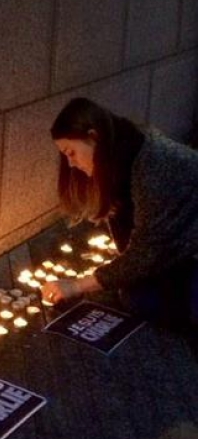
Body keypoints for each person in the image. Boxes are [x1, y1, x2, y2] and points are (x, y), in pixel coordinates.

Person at [45, 96, 198, 327]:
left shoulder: (152, 170)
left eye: (71, 152)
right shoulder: (125, 151)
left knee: (140, 299)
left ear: (93, 137)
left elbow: (145, 254)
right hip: (178, 250)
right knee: (133, 293)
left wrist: (76, 285)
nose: (70, 164)